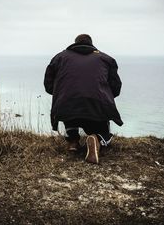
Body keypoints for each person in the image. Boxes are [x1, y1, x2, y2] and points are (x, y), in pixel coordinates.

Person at [44, 34, 123, 164]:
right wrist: (104, 96)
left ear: (75, 43)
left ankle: (73, 141)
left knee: (69, 108)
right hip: (97, 106)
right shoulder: (106, 59)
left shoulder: (59, 58)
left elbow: (48, 85)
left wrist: (63, 93)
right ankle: (96, 139)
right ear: (91, 44)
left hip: (67, 105)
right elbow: (116, 87)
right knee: (103, 132)